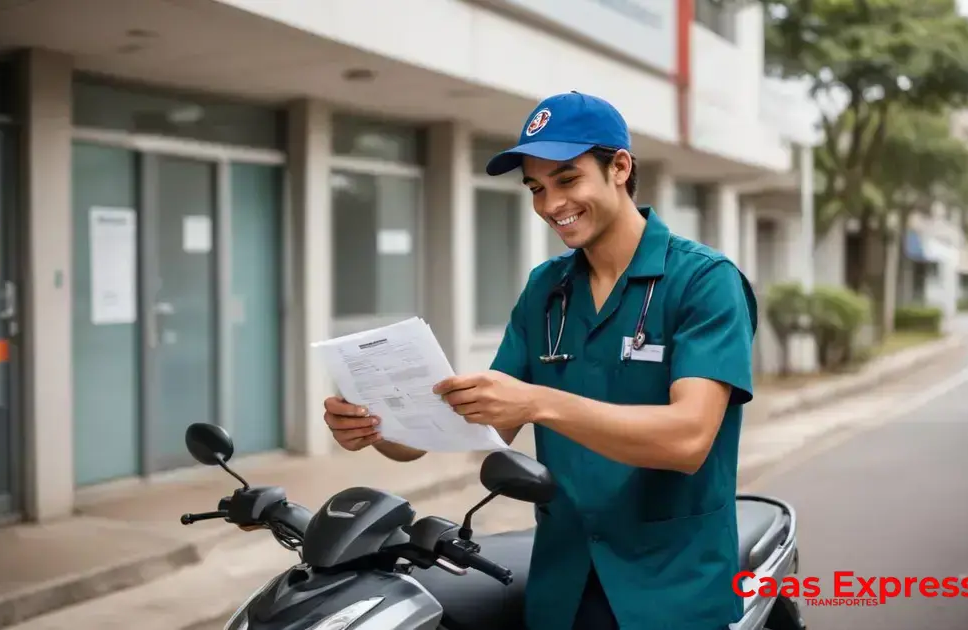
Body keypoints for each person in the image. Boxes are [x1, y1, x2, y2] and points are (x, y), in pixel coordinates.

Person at [323, 91, 758, 630]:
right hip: (564, 584)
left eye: (567, 179)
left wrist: (538, 401)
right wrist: (377, 427)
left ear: (619, 167)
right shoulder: (546, 290)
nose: (551, 204)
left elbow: (688, 439)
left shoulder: (703, 281)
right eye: (536, 187)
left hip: (673, 588)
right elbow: (487, 424)